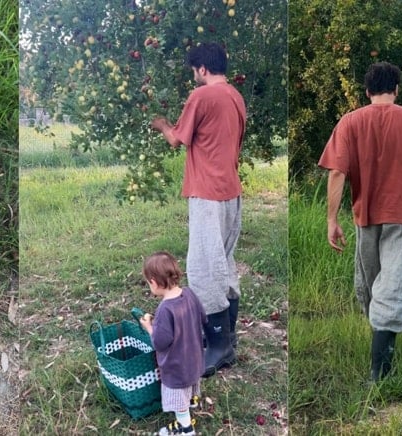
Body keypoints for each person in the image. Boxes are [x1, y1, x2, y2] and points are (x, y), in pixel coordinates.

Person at [318, 62, 402, 382]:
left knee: (377, 286)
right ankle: (380, 372)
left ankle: (380, 370)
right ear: (397, 89)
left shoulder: (350, 122)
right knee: (389, 288)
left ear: (367, 91)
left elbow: (337, 173)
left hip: (366, 218)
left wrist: (332, 219)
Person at [149, 42, 246, 377]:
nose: (194, 75)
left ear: (202, 69)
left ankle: (218, 348)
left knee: (204, 268)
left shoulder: (201, 96)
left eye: (194, 70)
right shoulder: (235, 96)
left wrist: (162, 125)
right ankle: (227, 339)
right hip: (231, 192)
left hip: (207, 194)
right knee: (224, 262)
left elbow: (177, 139)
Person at [139, 251, 207, 436]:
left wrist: (149, 327)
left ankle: (186, 429)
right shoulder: (189, 294)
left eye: (148, 283)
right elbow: (202, 317)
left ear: (154, 282)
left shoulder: (165, 309)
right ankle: (191, 401)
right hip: (194, 358)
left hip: (176, 367)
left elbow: (160, 343)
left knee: (178, 400)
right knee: (190, 384)